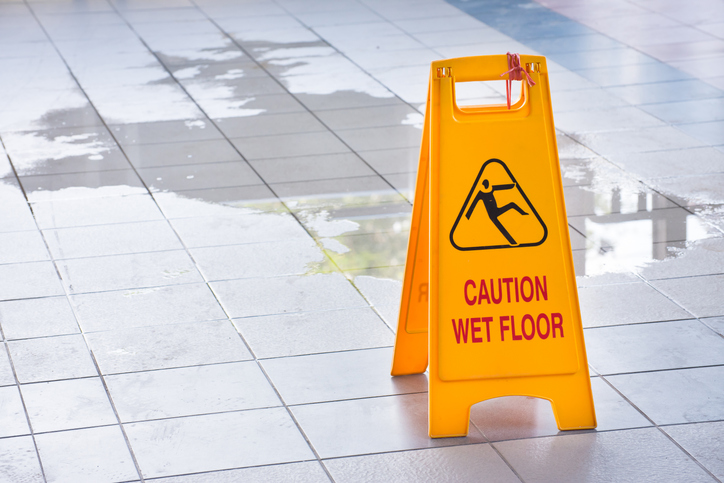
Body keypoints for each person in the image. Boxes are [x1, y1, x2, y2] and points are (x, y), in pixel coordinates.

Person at [465, 179, 528, 245]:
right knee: (502, 229)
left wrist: (513, 185)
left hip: (497, 210)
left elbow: (501, 187)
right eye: (485, 184)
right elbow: (473, 204)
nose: (487, 185)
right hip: (492, 215)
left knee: (512, 204)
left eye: (487, 184)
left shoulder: (492, 189)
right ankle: (513, 243)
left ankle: (523, 213)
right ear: (483, 185)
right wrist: (467, 216)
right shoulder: (480, 194)